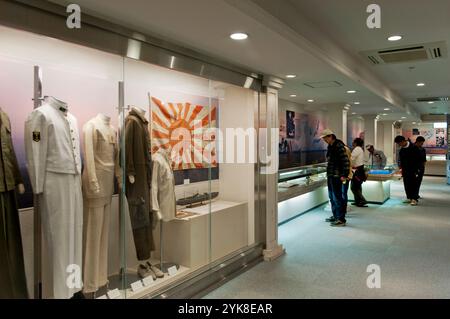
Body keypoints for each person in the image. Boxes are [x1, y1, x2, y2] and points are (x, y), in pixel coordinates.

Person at [320, 129, 350, 227]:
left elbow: (345, 161)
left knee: (337, 197)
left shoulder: (339, 146)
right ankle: (335, 215)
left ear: (330, 136)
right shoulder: (331, 146)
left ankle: (341, 219)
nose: (324, 140)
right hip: (331, 175)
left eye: (325, 138)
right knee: (332, 197)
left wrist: (344, 175)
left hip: (337, 176)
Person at [394, 135, 422, 206]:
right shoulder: (402, 150)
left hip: (414, 169)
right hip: (405, 169)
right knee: (406, 183)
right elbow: (401, 160)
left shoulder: (414, 147)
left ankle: (414, 199)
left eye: (399, 143)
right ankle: (409, 197)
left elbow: (419, 159)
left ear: (403, 141)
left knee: (414, 184)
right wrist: (400, 168)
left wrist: (418, 169)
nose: (399, 145)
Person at [350, 138, 368, 207]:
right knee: (358, 186)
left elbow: (351, 158)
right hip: (359, 170)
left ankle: (362, 200)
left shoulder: (357, 149)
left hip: (357, 170)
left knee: (354, 187)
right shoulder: (360, 149)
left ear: (356, 143)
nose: (352, 143)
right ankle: (358, 201)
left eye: (353, 142)